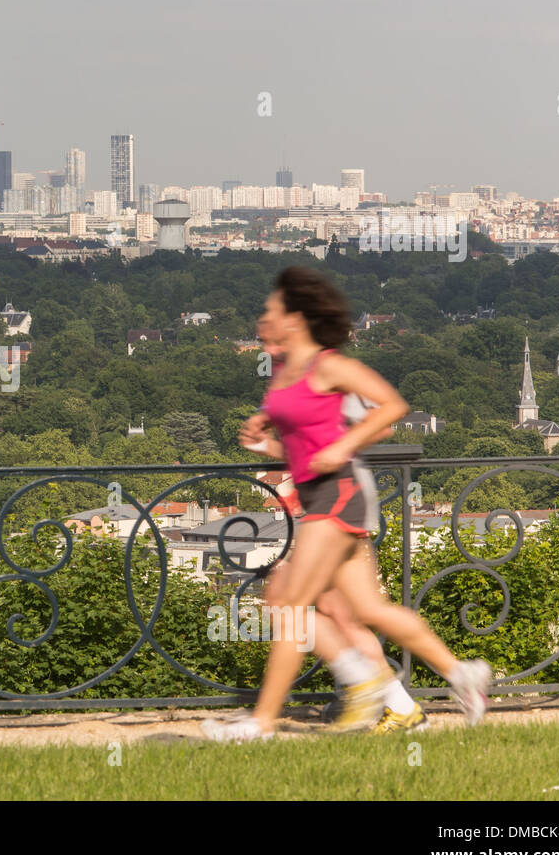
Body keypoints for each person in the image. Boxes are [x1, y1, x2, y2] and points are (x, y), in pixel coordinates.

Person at [203, 266, 490, 742]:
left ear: (296, 317)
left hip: (339, 496)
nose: (264, 317)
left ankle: (265, 721)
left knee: (290, 606)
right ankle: (461, 675)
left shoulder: (329, 365)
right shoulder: (283, 367)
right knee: (367, 609)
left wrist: (344, 445)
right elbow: (300, 438)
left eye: (272, 310)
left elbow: (393, 407)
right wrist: (264, 438)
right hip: (318, 494)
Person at [255, 319, 426, 733]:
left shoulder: (326, 375)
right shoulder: (294, 374)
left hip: (341, 503)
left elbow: (381, 421)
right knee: (334, 611)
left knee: (330, 611)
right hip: (324, 503)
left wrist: (337, 447)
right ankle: (391, 700)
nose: (266, 339)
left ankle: (388, 697)